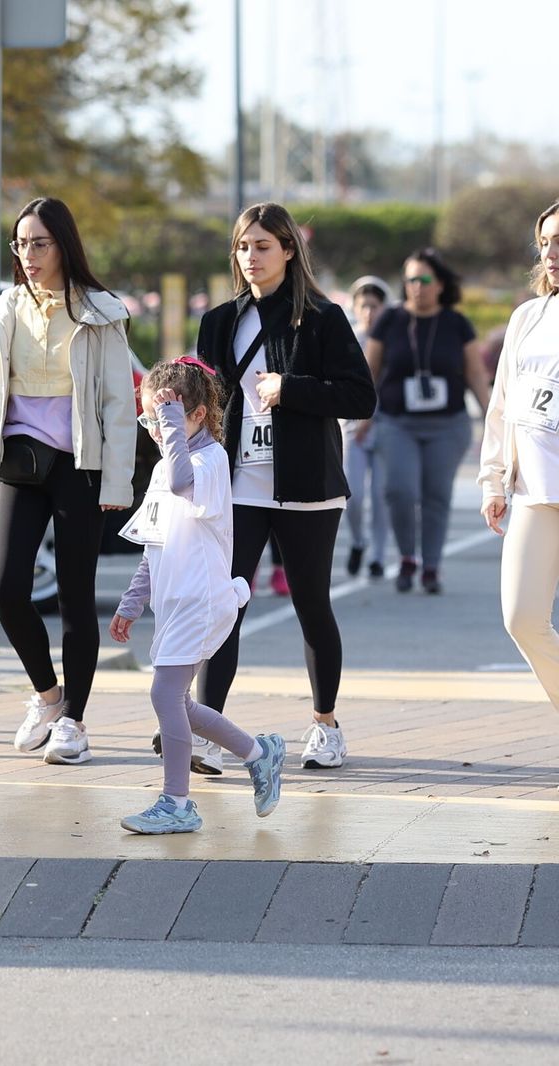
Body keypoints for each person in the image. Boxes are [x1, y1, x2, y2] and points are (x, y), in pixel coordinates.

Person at [193, 203, 376, 773]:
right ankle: (208, 731)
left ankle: (325, 725)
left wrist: (289, 389)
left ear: (289, 251)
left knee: (310, 604)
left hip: (307, 488)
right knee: (224, 606)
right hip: (239, 484)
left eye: (263, 246)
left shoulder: (323, 318)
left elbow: (358, 396)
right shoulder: (220, 320)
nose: (251, 258)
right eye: (243, 247)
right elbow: (207, 400)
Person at [0, 196, 137, 766]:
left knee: (75, 598)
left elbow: (118, 403)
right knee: (4, 588)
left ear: (63, 244)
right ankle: (47, 695)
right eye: (20, 243)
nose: (28, 254)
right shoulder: (4, 310)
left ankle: (75, 721)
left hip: (79, 467)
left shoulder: (101, 312)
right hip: (20, 463)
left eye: (39, 242)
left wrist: (117, 483)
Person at [111, 358, 286, 834]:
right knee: (179, 703)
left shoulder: (207, 463)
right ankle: (258, 753)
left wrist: (170, 424)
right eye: (148, 417)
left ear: (198, 415)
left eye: (162, 416)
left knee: (164, 693)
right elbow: (154, 543)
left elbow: (181, 481)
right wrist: (132, 600)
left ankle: (176, 803)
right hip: (176, 603)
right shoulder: (168, 465)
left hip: (201, 600)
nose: (153, 427)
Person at [364, 249, 490, 594]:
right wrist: (359, 417)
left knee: (436, 496)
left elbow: (476, 374)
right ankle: (407, 556)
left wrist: (495, 420)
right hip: (396, 421)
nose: (415, 287)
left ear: (440, 284)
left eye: (423, 280)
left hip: (447, 425)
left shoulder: (456, 323)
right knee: (399, 490)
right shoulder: (389, 320)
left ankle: (431, 566)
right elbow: (368, 373)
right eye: (409, 280)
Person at [480, 200, 559, 713]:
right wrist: (493, 479)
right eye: (546, 242)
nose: (551, 253)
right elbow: (502, 404)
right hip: (534, 492)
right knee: (521, 617)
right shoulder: (528, 316)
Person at [343, 276, 392, 578]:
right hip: (351, 429)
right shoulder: (347, 341)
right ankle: (359, 541)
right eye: (364, 306)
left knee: (381, 494)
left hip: (386, 427)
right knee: (354, 495)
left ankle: (378, 555)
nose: (370, 313)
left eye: (375, 306)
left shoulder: (394, 340)